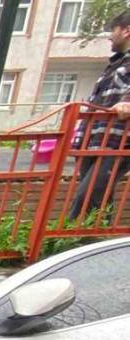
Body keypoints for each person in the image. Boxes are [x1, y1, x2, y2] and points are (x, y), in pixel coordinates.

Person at [70, 10, 130, 221]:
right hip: (96, 141)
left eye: (113, 30)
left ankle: (70, 245)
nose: (109, 36)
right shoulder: (115, 64)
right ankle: (97, 246)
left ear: (126, 31)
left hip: (117, 143)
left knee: (87, 197)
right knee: (99, 198)